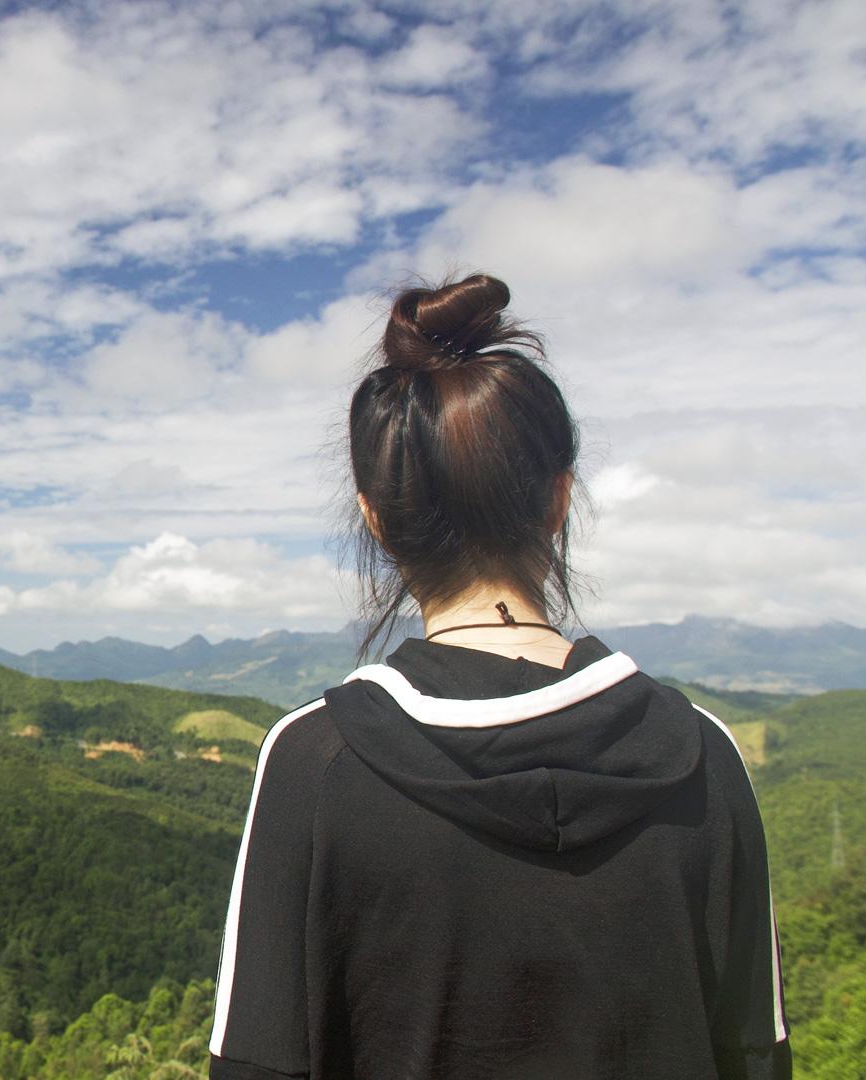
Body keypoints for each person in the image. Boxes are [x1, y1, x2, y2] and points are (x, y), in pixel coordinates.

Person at [207, 275, 791, 1079]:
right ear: (559, 500)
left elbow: (257, 1065)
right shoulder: (703, 756)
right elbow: (756, 1056)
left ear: (374, 518)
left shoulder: (314, 763)